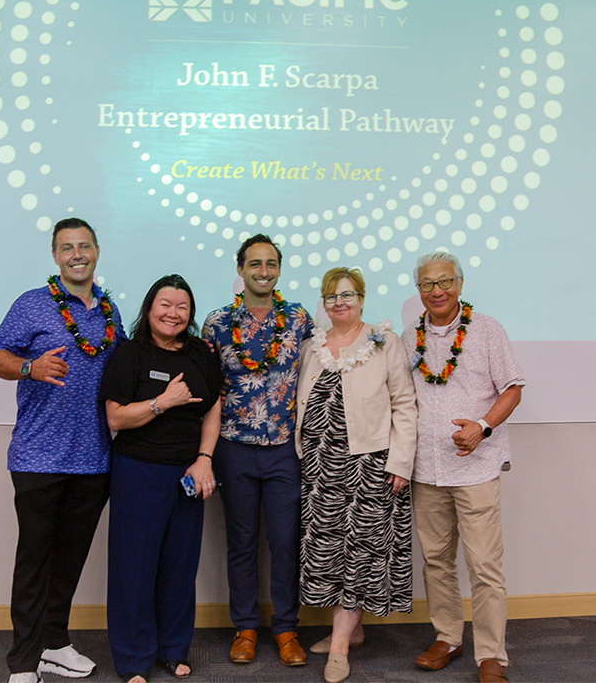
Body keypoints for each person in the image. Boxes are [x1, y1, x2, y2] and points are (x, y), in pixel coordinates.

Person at [0, 218, 124, 683]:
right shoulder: (32, 304)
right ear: (55, 256)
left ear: (97, 252)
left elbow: (125, 366)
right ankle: (23, 663)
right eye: (67, 247)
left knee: (70, 560)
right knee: (34, 563)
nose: (77, 254)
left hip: (94, 458)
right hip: (38, 457)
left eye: (84, 246)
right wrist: (29, 366)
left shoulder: (109, 311)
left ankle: (54, 643)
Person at [400, 252, 525, 683]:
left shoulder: (487, 330)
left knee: (485, 566)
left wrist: (483, 427)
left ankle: (492, 654)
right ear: (419, 290)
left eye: (445, 282)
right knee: (436, 561)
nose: (437, 291)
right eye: (427, 284)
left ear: (460, 283)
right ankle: (448, 637)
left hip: (475, 467)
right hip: (426, 471)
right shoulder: (409, 337)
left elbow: (512, 389)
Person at [294, 267, 417, 683]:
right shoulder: (314, 346)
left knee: (358, 557)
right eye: (331, 297)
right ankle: (354, 629)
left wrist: (400, 462)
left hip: (367, 468)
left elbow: (404, 405)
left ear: (362, 299)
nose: (339, 302)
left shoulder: (384, 343)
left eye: (347, 295)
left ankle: (341, 646)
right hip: (318, 470)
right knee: (327, 557)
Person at [99, 274, 223, 683]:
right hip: (138, 472)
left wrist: (205, 458)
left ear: (190, 313)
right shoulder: (129, 354)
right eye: (165, 304)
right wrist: (161, 402)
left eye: (182, 306)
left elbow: (213, 408)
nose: (173, 313)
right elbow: (116, 417)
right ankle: (134, 658)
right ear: (149, 308)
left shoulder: (201, 354)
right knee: (134, 568)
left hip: (188, 474)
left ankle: (173, 649)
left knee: (179, 566)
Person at [201, 234, 314, 666]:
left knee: (286, 541)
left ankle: (286, 629)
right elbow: (207, 386)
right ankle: (245, 627)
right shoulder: (216, 322)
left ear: (279, 269)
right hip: (233, 447)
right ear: (241, 269)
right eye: (254, 264)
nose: (262, 271)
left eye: (270, 264)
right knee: (242, 542)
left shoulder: (300, 318)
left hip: (285, 449)